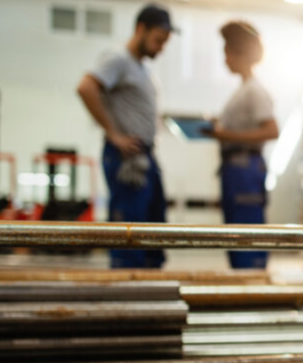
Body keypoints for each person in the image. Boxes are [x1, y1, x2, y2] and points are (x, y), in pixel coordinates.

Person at [77, 4, 175, 269]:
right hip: (126, 158)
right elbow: (86, 88)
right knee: (129, 236)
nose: (161, 48)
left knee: (154, 235)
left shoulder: (143, 69)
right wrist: (114, 134)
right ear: (141, 29)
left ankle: (152, 299)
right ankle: (128, 300)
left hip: (146, 157)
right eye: (158, 40)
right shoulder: (118, 59)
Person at [204, 21, 279, 269]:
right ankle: (242, 285)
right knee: (237, 236)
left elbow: (271, 130)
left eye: (226, 52)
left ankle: (252, 287)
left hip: (245, 169)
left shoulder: (254, 91)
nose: (224, 59)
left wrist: (227, 135)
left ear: (239, 53)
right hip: (236, 170)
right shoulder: (243, 90)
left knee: (247, 237)